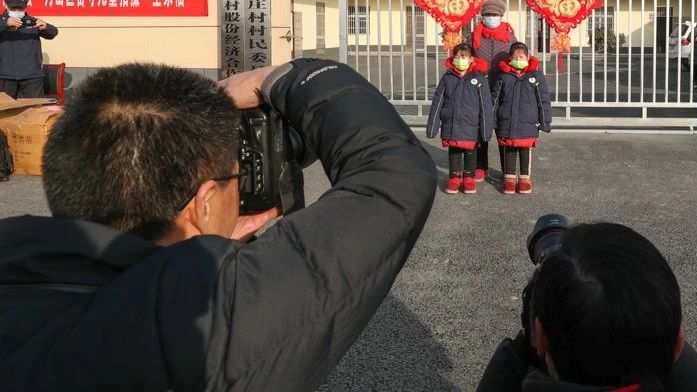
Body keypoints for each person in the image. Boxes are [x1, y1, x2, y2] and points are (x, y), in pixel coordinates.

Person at [0, 58, 436, 391]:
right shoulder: (200, 322)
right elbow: (393, 177)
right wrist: (288, 77)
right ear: (204, 201)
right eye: (235, 176)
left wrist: (197, 246)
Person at [477, 222, 697, 392]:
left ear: (541, 337)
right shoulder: (675, 350)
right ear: (678, 344)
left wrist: (524, 345)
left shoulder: (535, 344)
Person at [426, 42, 493, 194]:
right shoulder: (447, 77)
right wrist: (432, 127)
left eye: (464, 56)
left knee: (470, 151)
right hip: (451, 124)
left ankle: (469, 176)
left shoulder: (479, 79)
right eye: (457, 56)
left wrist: (486, 130)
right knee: (454, 151)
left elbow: (485, 106)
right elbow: (438, 102)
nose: (460, 59)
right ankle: (454, 177)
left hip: (471, 125)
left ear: (471, 59)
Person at [468, 0, 517, 182]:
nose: (491, 17)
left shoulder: (509, 35)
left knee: (504, 128)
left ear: (501, 15)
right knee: (481, 127)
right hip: (480, 88)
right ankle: (481, 166)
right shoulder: (474, 35)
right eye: (487, 14)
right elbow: (466, 57)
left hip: (504, 88)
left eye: (494, 14)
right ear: (482, 15)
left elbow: (518, 55)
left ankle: (508, 169)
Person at [493, 42, 551, 194]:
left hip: (528, 122)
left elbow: (543, 100)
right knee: (510, 149)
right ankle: (509, 178)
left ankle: (524, 178)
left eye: (521, 56)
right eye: (514, 57)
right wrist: (492, 120)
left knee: (525, 149)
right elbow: (495, 100)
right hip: (507, 121)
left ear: (527, 57)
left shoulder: (536, 76)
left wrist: (545, 120)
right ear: (510, 59)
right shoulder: (503, 76)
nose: (518, 59)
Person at [0, 0, 58, 98]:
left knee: (35, 110)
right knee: (5, 112)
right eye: (13, 8)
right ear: (5, 5)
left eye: (20, 8)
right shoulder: (2, 21)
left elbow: (53, 33)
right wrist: (5, 23)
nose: (17, 11)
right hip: (4, 75)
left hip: (32, 76)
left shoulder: (31, 22)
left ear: (26, 7)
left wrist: (45, 27)